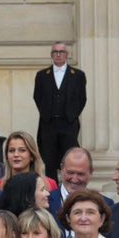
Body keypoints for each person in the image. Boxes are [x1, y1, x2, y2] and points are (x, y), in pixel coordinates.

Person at [33, 42, 86, 181]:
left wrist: (72, 115)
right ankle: (52, 191)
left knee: (70, 158)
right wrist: (46, 115)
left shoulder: (78, 75)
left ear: (67, 55)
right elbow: (37, 97)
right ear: (51, 55)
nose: (58, 54)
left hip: (68, 124)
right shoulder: (42, 75)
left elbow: (82, 98)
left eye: (61, 52)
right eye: (55, 52)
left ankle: (71, 188)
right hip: (48, 125)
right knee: (49, 160)